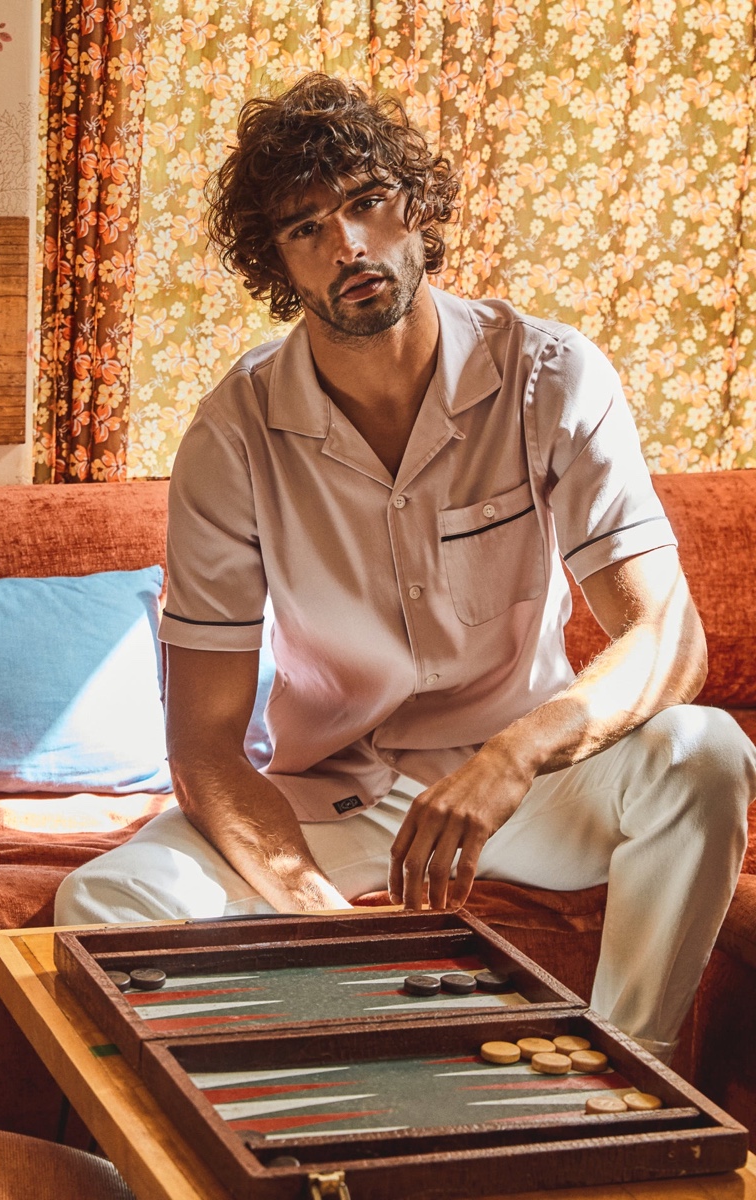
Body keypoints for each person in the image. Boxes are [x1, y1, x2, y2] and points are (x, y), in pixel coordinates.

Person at [56, 73, 756, 1062]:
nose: (347, 244)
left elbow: (664, 638)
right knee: (103, 898)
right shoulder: (232, 435)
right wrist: (313, 911)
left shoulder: (549, 377)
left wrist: (513, 756)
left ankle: (611, 1080)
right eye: (304, 228)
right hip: (329, 797)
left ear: (414, 206)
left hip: (526, 792)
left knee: (705, 750)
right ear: (277, 266)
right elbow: (206, 740)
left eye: (365, 201)